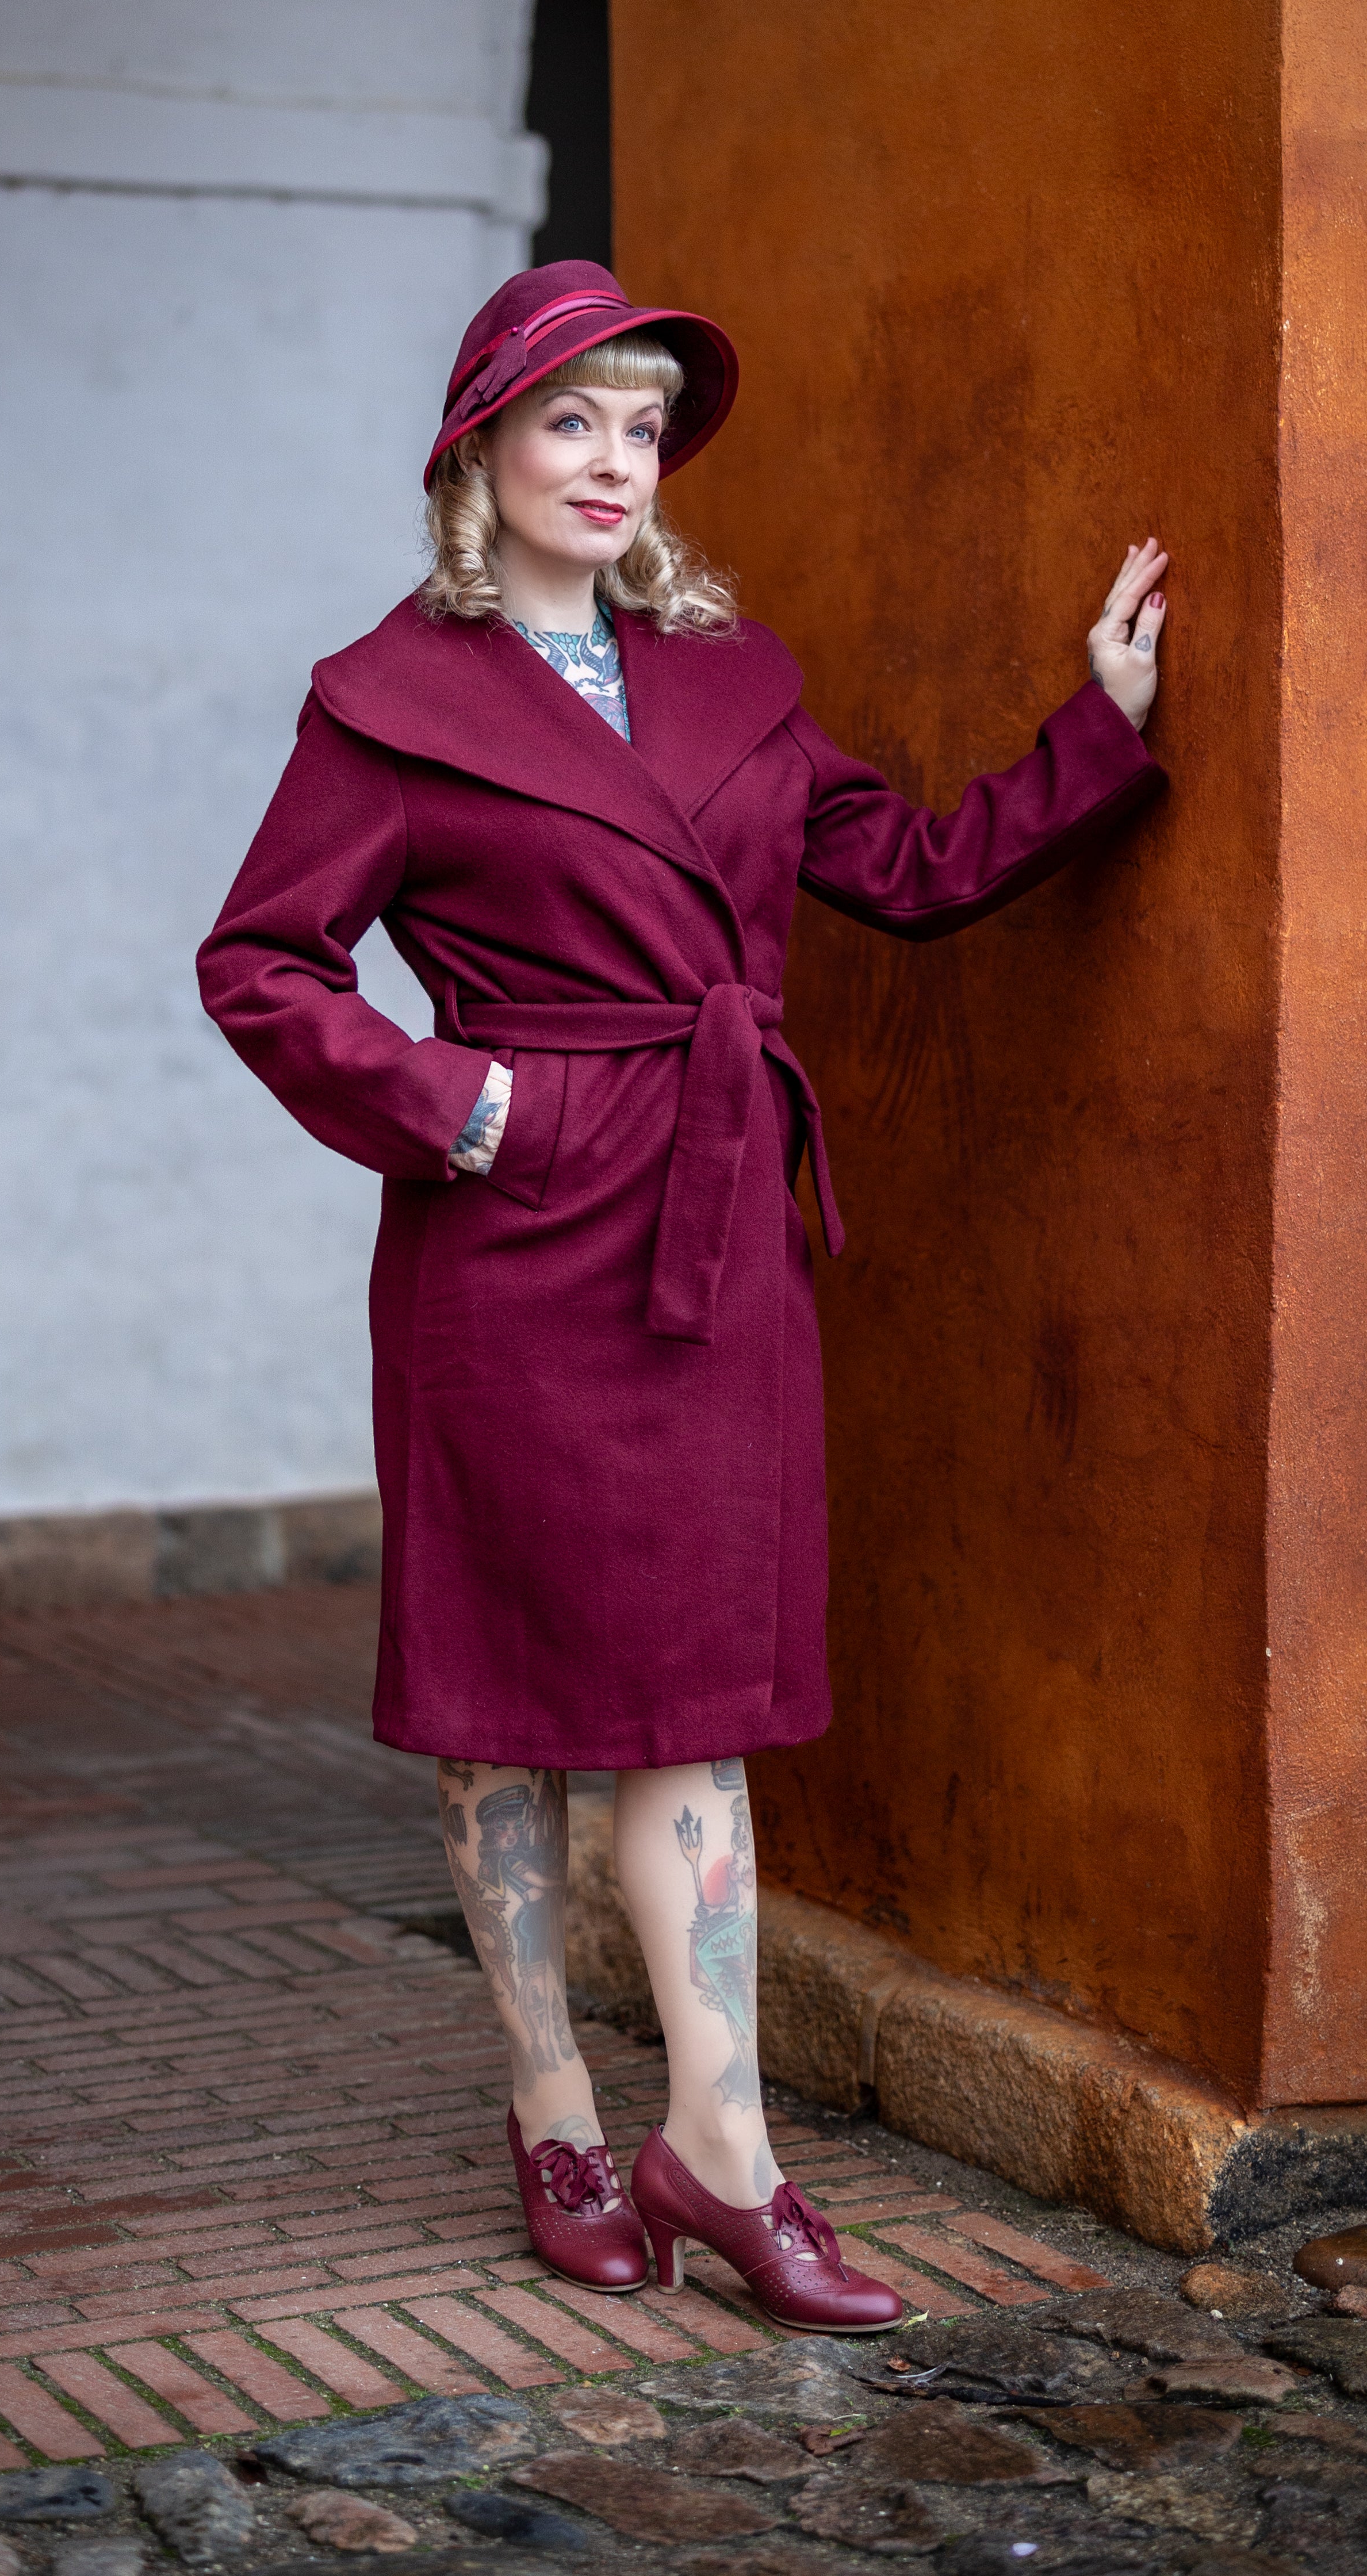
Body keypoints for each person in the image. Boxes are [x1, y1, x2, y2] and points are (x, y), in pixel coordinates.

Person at [197, 260, 1167, 2332]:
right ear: (479, 451)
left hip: (716, 1234)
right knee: (505, 1700)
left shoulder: (735, 682)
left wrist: (1102, 727)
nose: (614, 463)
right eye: (573, 422)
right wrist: (465, 1106)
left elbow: (913, 869)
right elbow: (260, 962)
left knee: (695, 1697)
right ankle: (554, 2106)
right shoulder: (388, 703)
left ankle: (720, 2147)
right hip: (511, 1240)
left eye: (642, 430)